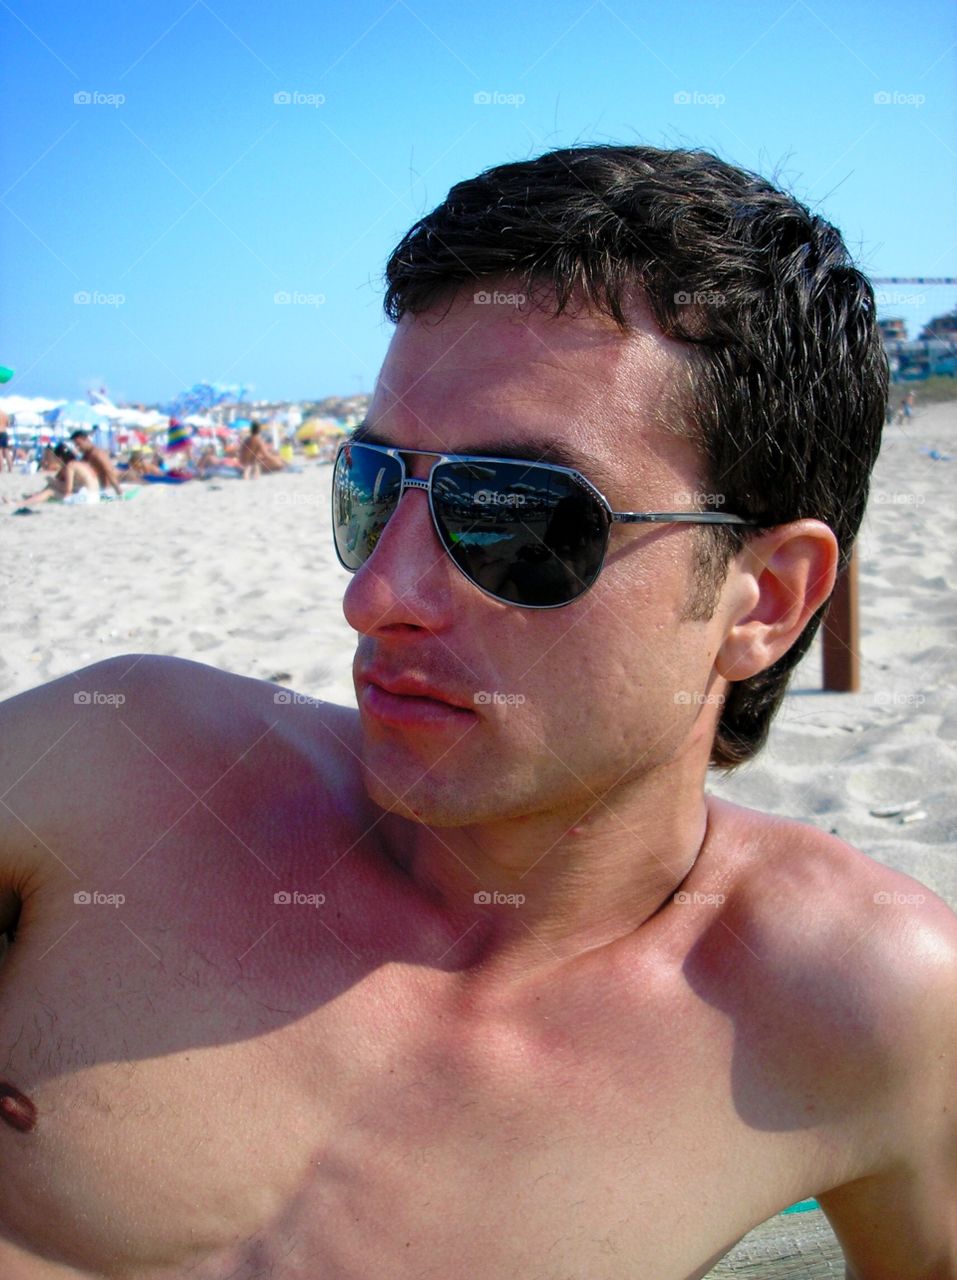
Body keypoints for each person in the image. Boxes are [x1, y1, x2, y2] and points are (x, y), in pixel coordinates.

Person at [0, 145, 954, 1280]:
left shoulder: (855, 1003)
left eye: (511, 514)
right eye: (372, 488)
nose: (377, 593)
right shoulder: (122, 769)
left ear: (766, 598)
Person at [2, 440, 101, 506]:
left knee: (50, 492)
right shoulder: (81, 463)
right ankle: (32, 498)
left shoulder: (71, 466)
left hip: (87, 499)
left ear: (60, 457)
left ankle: (18, 504)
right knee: (51, 488)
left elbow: (67, 491)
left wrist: (53, 482)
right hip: (95, 496)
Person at [69, 428, 123, 497]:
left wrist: (119, 491)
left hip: (104, 488)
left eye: (79, 444)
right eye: (76, 445)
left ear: (86, 439)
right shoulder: (86, 455)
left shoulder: (98, 454)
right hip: (94, 487)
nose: (77, 447)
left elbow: (109, 472)